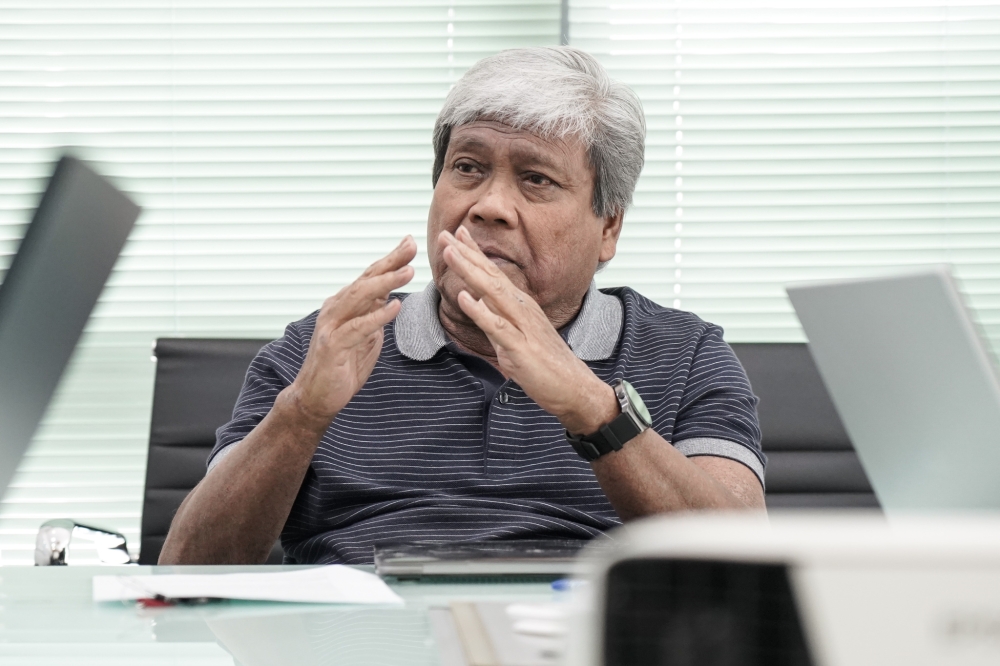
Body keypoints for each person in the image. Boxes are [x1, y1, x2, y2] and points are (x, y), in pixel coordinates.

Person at [159, 46, 765, 566]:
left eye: (537, 179)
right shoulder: (322, 346)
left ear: (607, 228)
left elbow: (744, 561)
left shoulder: (684, 352)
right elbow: (187, 569)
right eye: (468, 168)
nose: (489, 206)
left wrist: (588, 403)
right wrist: (300, 415)